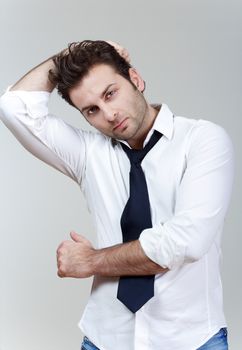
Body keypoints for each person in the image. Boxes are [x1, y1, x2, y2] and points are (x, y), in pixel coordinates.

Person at [0, 40, 234, 350]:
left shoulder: (202, 140)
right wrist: (65, 58)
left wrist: (92, 261)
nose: (109, 114)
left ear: (135, 79)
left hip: (191, 340)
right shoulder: (88, 154)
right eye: (91, 110)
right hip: (105, 338)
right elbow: (14, 107)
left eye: (111, 94)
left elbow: (184, 242)